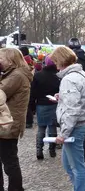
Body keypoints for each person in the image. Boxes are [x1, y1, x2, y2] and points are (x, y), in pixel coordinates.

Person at [50, 46, 85, 191]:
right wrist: (62, 97)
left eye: (56, 61)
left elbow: (73, 109)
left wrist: (63, 133)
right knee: (69, 165)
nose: (55, 65)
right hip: (79, 125)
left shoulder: (69, 79)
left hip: (75, 127)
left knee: (76, 167)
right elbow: (79, 100)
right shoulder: (80, 74)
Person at [0, 48, 33, 191]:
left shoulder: (16, 76)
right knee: (9, 159)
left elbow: (1, 92)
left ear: (10, 59)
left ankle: (16, 188)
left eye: (1, 58)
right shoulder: (15, 73)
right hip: (9, 123)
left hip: (7, 125)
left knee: (9, 160)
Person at [29, 55, 60, 159]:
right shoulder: (57, 76)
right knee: (52, 127)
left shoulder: (38, 75)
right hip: (53, 104)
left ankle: (39, 150)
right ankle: (52, 150)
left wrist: (32, 106)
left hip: (41, 104)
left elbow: (32, 92)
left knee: (41, 128)